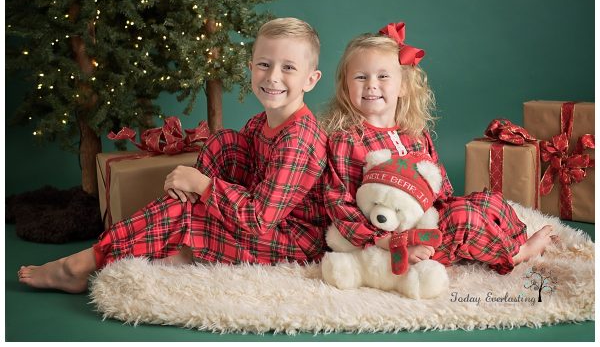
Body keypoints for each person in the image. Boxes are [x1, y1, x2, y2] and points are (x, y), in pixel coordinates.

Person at [18, 17, 330, 293]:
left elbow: (260, 219)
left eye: (288, 68)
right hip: (255, 212)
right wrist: (194, 188)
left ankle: (87, 262)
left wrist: (203, 185)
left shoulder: (299, 140)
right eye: (264, 64)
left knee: (193, 207)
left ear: (310, 79)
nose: (273, 76)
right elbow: (232, 161)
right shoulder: (262, 122)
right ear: (250, 68)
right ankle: (180, 238)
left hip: (292, 241)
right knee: (226, 143)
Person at [321, 21, 555, 275]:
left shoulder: (414, 134)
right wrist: (390, 242)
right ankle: (515, 254)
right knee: (463, 218)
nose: (371, 84)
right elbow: (340, 204)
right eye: (360, 77)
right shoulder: (346, 140)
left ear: (403, 86)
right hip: (389, 238)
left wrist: (451, 208)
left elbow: (439, 187)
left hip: (425, 220)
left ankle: (515, 238)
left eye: (383, 76)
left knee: (485, 200)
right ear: (346, 86)